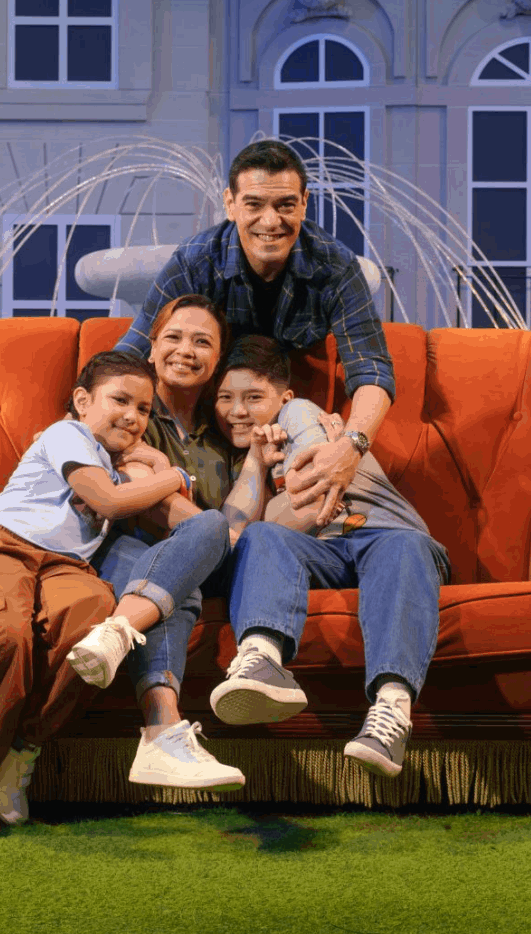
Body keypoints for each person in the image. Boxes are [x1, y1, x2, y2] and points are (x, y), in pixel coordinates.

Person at [0, 349, 232, 839]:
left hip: (68, 566)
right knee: (5, 635)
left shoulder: (120, 466)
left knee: (91, 631)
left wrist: (158, 468)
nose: (133, 417)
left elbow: (190, 523)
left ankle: (20, 752)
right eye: (120, 400)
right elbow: (109, 501)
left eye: (144, 409)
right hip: (1, 543)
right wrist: (177, 474)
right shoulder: (66, 434)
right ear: (82, 400)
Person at [68, 294, 326, 792]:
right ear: (151, 347)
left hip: (208, 563)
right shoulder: (134, 410)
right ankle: (163, 732)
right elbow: (143, 498)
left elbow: (238, 517)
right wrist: (215, 533)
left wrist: (254, 462)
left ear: (217, 358)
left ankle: (121, 633)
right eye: (173, 337)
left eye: (202, 342)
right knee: (176, 577)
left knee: (202, 544)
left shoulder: (223, 426)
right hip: (132, 549)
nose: (186, 350)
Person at [114, 139, 396, 532]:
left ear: (304, 204)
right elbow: (132, 353)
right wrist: (78, 427)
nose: (270, 221)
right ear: (230, 204)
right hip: (215, 418)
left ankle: (351, 534)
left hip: (287, 415)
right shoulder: (196, 261)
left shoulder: (334, 267)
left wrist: (352, 445)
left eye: (285, 205)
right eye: (254, 204)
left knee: (305, 431)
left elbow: (371, 371)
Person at [205, 335, 452, 779]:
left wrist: (276, 506)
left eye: (253, 397)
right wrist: (257, 464)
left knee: (403, 546)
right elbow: (237, 534)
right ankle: (261, 660)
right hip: (324, 553)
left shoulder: (299, 415)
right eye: (225, 398)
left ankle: (391, 714)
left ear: (284, 398)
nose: (237, 411)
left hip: (386, 537)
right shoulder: (241, 453)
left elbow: (314, 504)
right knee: (262, 536)